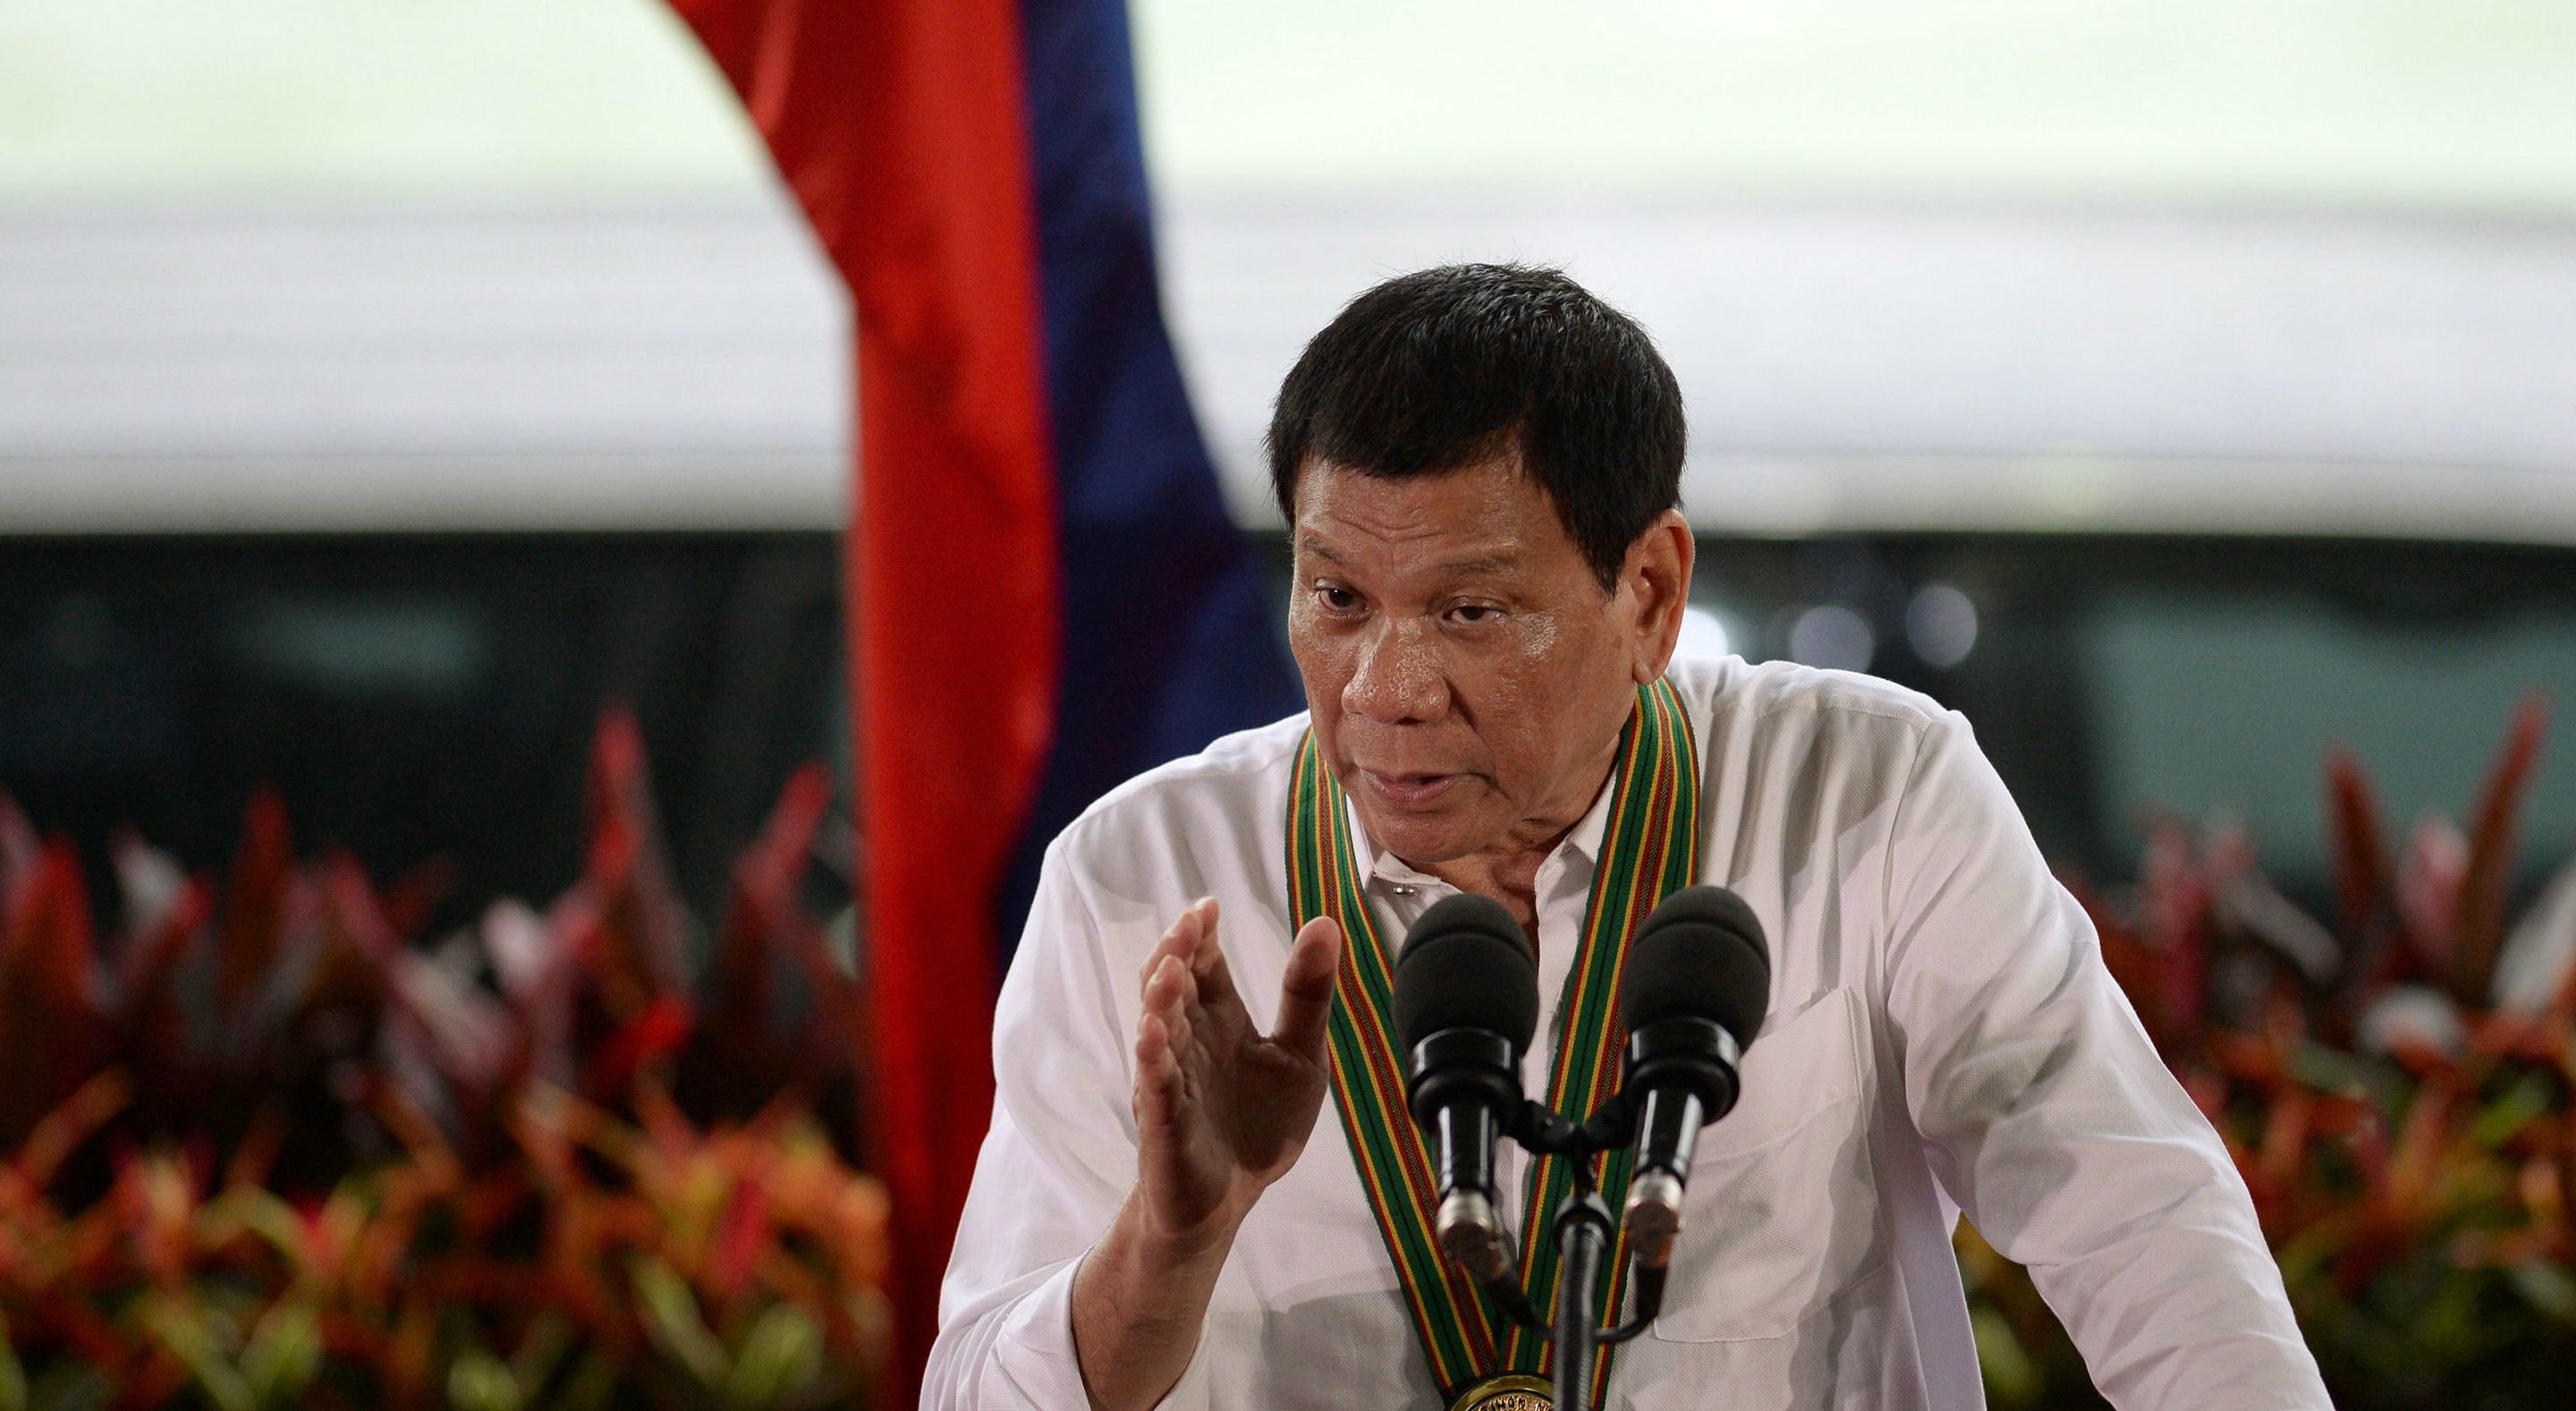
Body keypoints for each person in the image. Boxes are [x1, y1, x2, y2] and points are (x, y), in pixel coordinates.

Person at [923, 264, 2326, 1410]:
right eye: (1337, 596)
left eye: (1471, 611)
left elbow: (2141, 1225)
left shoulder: (1868, 794)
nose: (1385, 690)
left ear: (1649, 590)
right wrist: (1169, 1247)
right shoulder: (1141, 887)